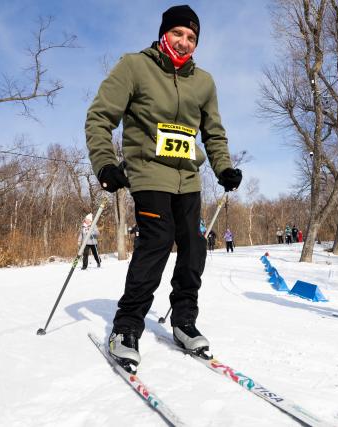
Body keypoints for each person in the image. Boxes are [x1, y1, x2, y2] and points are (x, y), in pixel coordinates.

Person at [85, 5, 243, 372]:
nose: (184, 42)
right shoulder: (134, 66)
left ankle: (184, 321)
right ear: (164, 33)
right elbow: (99, 117)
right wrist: (105, 163)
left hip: (187, 176)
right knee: (157, 239)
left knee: (193, 244)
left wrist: (224, 168)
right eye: (178, 34)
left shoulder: (203, 82)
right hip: (148, 170)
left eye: (192, 37)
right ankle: (126, 327)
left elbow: (213, 133)